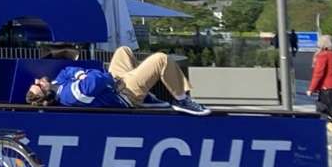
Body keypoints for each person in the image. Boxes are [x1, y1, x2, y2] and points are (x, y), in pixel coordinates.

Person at [28, 48, 209, 114]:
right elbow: (96, 80)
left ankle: (147, 94)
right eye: (37, 85)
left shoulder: (57, 82)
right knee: (161, 59)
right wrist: (83, 75)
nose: (37, 80)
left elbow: (69, 70)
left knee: (123, 51)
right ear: (46, 93)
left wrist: (81, 75)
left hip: (114, 83)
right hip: (125, 94)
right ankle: (182, 99)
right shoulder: (67, 95)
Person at [311, 35, 332, 122]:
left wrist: (312, 89)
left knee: (330, 112)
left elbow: (318, 74)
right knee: (325, 113)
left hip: (327, 89)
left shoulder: (323, 55)